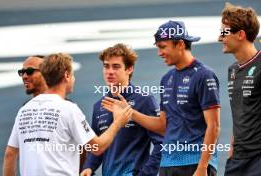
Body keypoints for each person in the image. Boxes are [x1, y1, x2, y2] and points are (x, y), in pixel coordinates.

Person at [102, 21, 221, 176]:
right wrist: (129, 112)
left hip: (194, 163)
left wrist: (203, 167)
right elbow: (163, 126)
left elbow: (214, 126)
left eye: (163, 47)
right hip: (167, 164)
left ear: (180, 44)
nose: (159, 53)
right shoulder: (166, 79)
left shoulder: (204, 75)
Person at [3, 53, 133, 176]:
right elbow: (96, 147)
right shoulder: (69, 109)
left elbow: (10, 154)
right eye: (73, 75)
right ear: (66, 75)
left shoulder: (24, 110)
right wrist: (118, 122)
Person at [81, 43, 163, 176]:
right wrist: (89, 167)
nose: (110, 71)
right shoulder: (99, 106)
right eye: (106, 66)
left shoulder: (144, 100)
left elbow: (162, 144)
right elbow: (97, 147)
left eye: (116, 66)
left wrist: (145, 174)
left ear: (129, 69)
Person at [218, 3, 261, 176]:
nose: (219, 38)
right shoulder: (233, 70)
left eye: (224, 33)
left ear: (241, 34)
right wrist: (232, 146)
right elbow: (241, 112)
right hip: (237, 159)